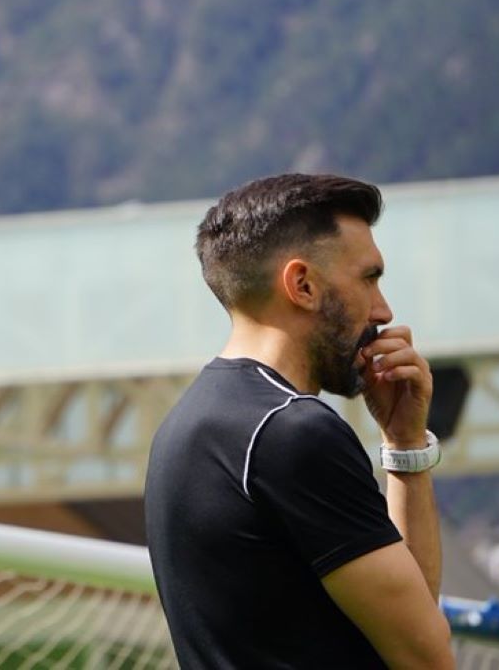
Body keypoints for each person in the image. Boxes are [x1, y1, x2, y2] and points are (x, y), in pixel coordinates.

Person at [144, 173, 454, 669]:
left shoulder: (185, 426)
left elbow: (408, 616)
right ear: (303, 285)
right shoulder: (293, 432)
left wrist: (404, 440)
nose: (383, 310)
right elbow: (426, 656)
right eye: (369, 278)